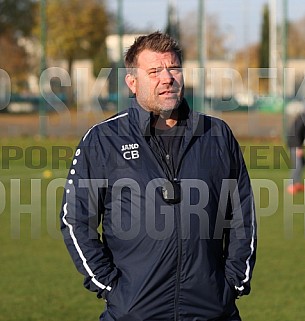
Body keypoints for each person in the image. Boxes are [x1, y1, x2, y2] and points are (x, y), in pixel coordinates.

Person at [60, 31, 256, 321]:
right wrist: (110, 285)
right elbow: (75, 219)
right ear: (132, 82)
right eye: (154, 71)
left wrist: (233, 282)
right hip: (134, 310)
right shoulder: (104, 140)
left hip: (213, 309)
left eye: (173, 68)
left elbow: (242, 216)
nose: (167, 78)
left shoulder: (216, 135)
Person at [286, 112, 305, 194]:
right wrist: (298, 148)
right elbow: (296, 133)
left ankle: (297, 184)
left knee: (301, 163)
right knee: (298, 165)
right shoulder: (302, 119)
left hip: (297, 144)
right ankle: (291, 185)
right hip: (294, 144)